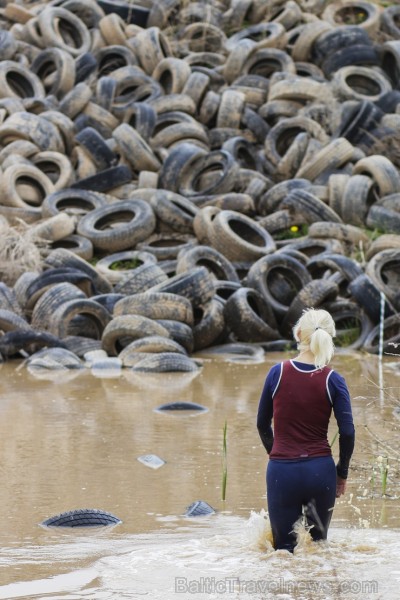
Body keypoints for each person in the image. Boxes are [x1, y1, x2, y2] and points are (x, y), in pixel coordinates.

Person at [257, 307, 355, 553]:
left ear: (299, 333)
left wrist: (277, 452)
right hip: (320, 473)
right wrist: (341, 473)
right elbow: (348, 432)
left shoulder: (276, 373)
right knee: (318, 549)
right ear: (329, 338)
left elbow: (262, 424)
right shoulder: (333, 379)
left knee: (283, 553)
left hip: (282, 472)